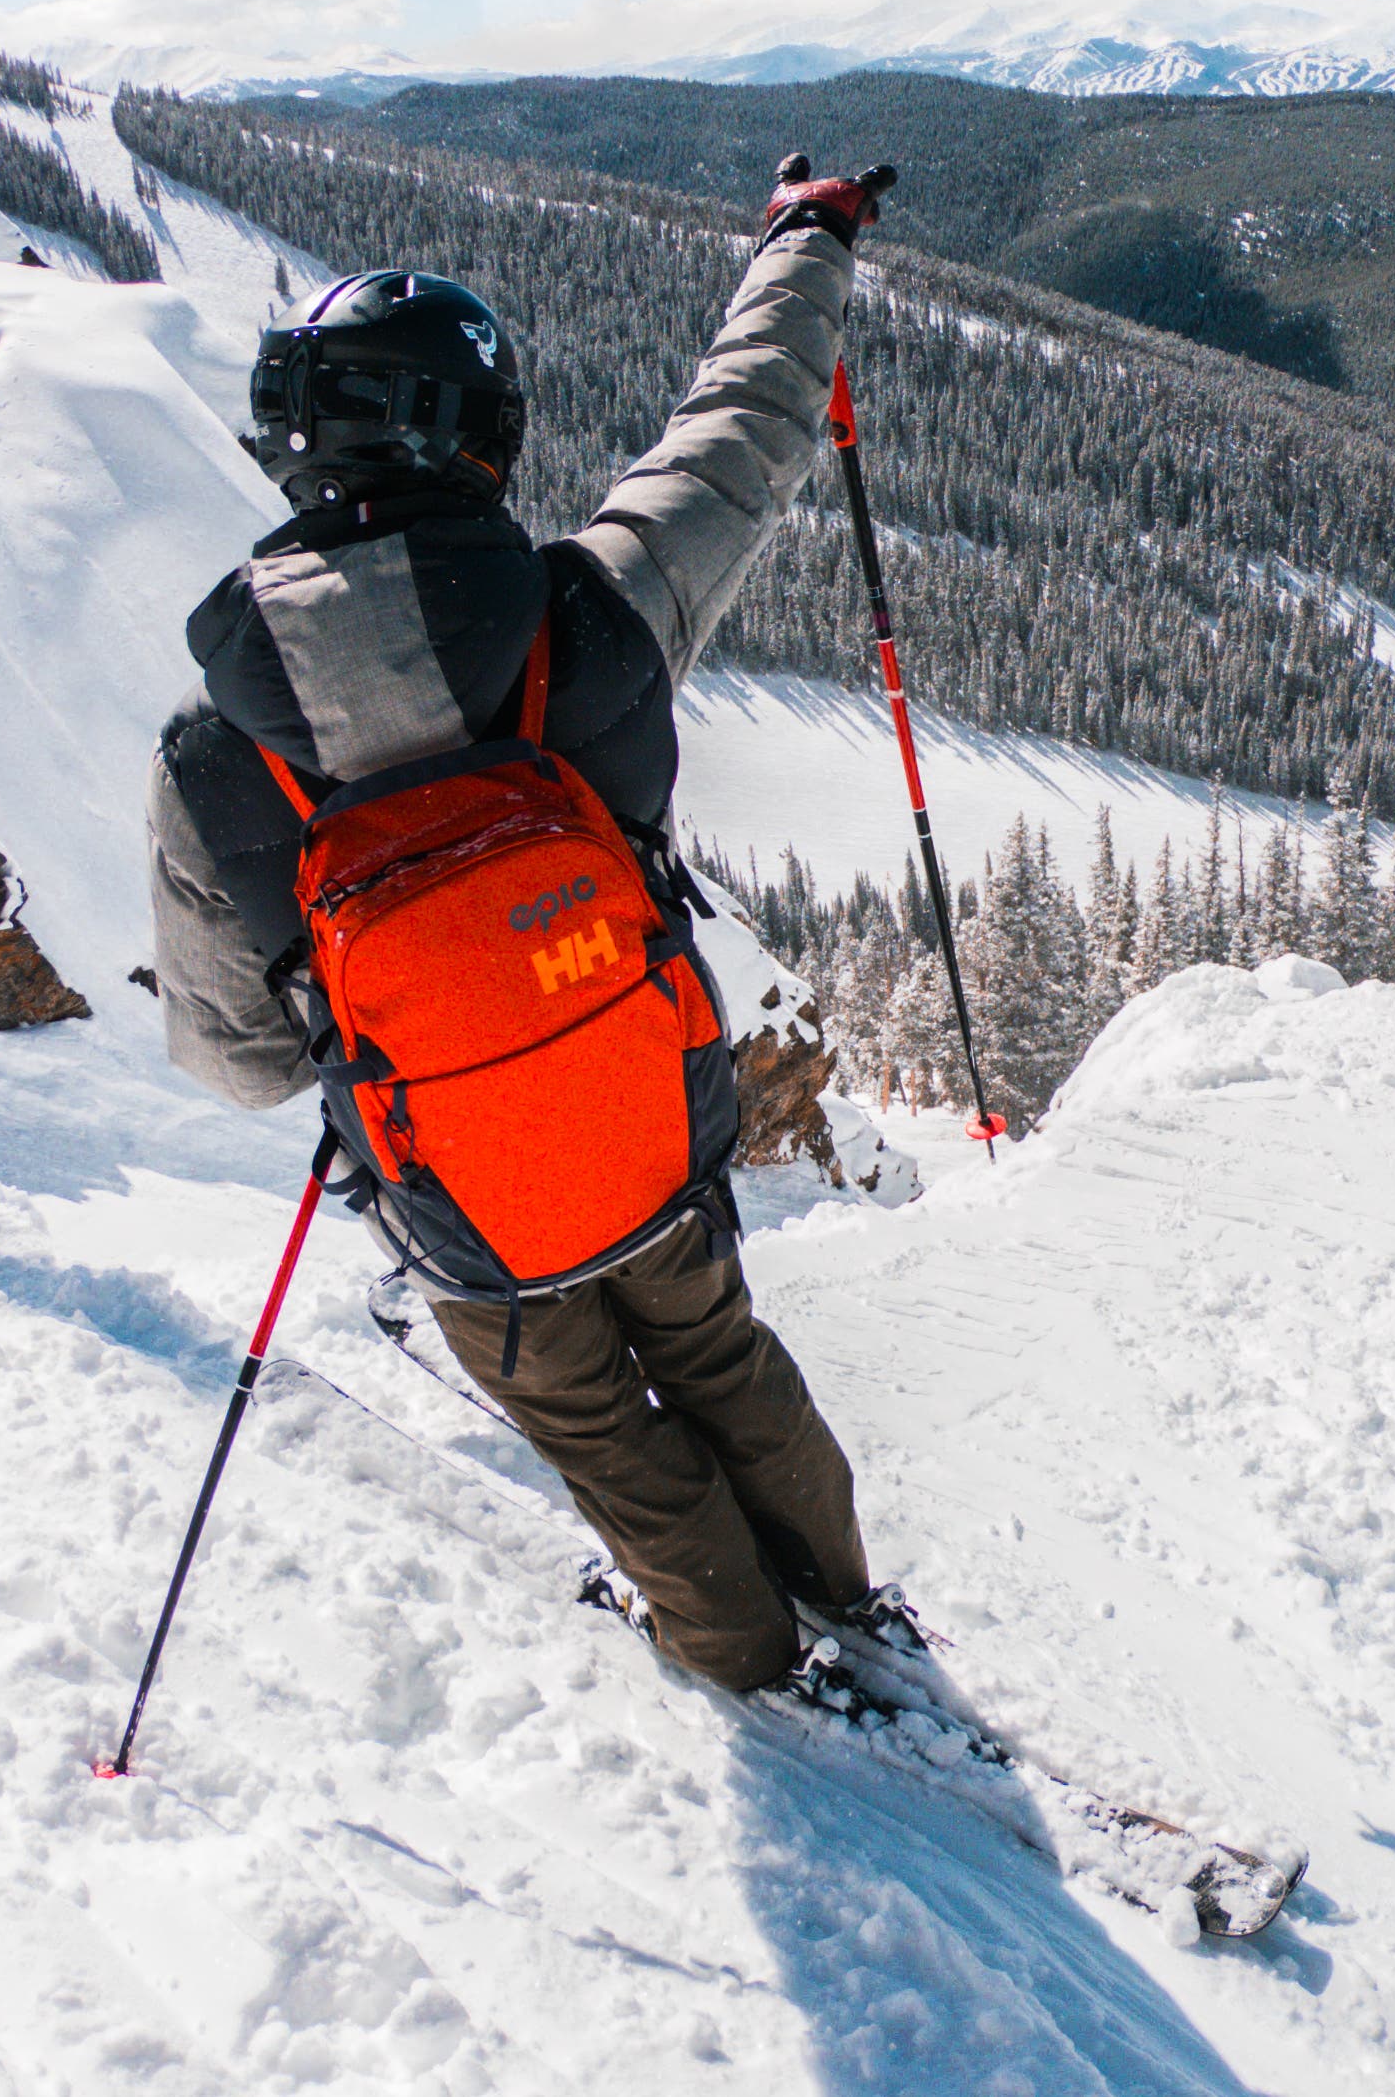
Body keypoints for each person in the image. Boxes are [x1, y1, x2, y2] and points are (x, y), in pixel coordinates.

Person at [145, 153, 896, 1694]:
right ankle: (835, 1588)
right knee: (718, 1355)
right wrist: (803, 238)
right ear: (487, 440)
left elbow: (235, 1061)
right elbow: (739, 430)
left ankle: (737, 1648)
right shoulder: (593, 613)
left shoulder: (217, 756)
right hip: (649, 1118)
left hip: (459, 1197)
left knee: (594, 1420)